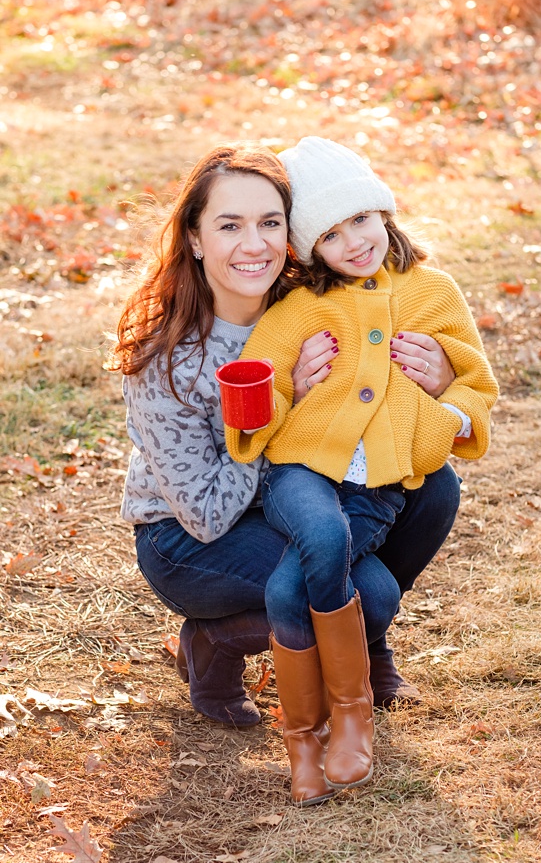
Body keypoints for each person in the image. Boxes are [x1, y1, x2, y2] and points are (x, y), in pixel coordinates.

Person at [107, 144, 460, 750]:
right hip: (189, 538)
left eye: (270, 223)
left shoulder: (313, 302)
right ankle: (214, 641)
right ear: (194, 238)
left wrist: (441, 375)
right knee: (367, 596)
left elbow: (377, 405)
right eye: (229, 225)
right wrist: (287, 405)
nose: (254, 245)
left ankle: (358, 642)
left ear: (294, 236)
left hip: (300, 499)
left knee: (436, 485)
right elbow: (206, 512)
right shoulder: (168, 358)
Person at [222, 136, 498, 803]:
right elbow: (264, 385)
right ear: (308, 247)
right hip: (301, 471)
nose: (353, 242)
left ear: (385, 213)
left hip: (378, 482)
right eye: (331, 233)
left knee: (290, 591)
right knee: (319, 536)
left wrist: (444, 420)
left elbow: (475, 383)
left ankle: (311, 741)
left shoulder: (432, 291)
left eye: (362, 220)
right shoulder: (299, 308)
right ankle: (350, 714)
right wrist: (276, 394)